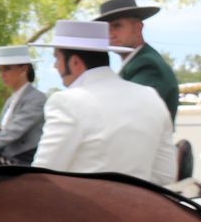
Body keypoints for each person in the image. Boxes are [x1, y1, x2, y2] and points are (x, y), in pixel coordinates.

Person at [33, 19, 176, 183]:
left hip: (82, 208)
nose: (56, 66)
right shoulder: (151, 96)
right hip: (142, 206)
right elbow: (165, 176)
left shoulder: (66, 102)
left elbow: (42, 176)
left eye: (57, 58)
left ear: (75, 62)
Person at [98, 0, 180, 121]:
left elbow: (127, 113)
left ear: (138, 27)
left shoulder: (148, 64)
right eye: (106, 29)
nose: (111, 34)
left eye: (117, 26)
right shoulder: (137, 62)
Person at [0, 44, 47, 163]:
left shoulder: (37, 99)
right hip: (4, 160)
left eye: (7, 68)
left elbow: (12, 132)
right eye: (0, 69)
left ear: (23, 69)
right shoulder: (10, 101)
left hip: (25, 164)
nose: (2, 74)